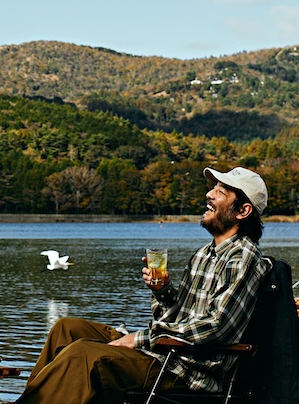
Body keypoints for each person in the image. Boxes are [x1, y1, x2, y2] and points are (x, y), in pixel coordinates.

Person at [14, 166, 268, 404]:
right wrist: (163, 293)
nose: (208, 194)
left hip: (185, 371)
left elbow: (216, 328)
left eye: (220, 192)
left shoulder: (243, 257)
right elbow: (176, 317)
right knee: (66, 329)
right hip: (165, 352)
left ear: (243, 211)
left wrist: (139, 340)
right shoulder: (205, 254)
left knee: (82, 353)